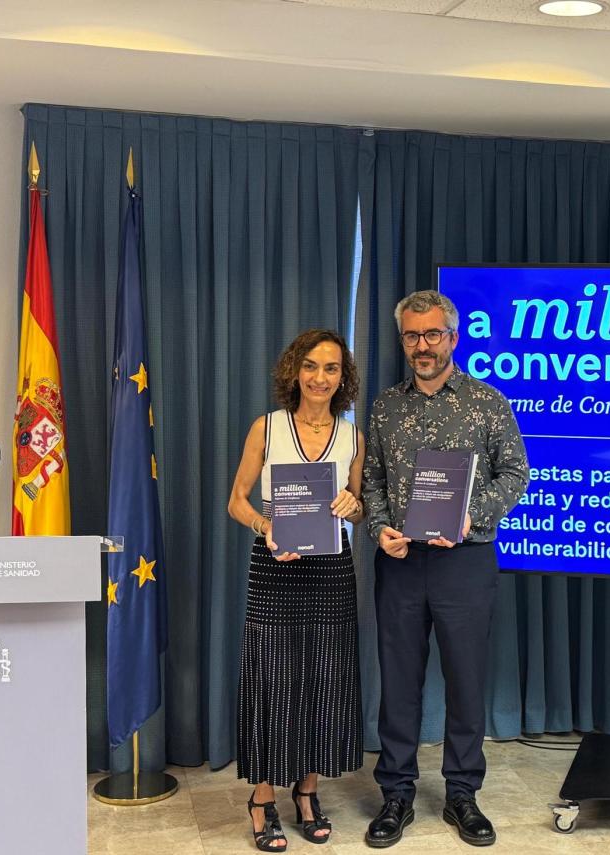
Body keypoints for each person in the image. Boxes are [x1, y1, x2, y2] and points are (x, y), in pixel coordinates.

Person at [362, 290, 530, 848]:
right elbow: (373, 483)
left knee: (465, 680)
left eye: (433, 334)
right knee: (400, 683)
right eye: (412, 336)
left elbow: (516, 474)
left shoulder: (488, 402)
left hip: (466, 560)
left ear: (453, 338)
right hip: (403, 565)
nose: (422, 346)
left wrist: (469, 517)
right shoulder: (385, 407)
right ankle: (397, 794)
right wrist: (380, 527)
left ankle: (462, 793)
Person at [228, 329, 366, 851]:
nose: (320, 377)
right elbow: (236, 500)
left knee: (323, 680)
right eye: (311, 366)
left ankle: (307, 792)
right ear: (294, 371)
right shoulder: (267, 428)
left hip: (331, 572)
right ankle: (263, 797)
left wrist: (354, 505)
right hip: (275, 567)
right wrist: (265, 525)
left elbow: (358, 501)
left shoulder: (354, 436)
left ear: (342, 377)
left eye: (331, 368)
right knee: (273, 679)